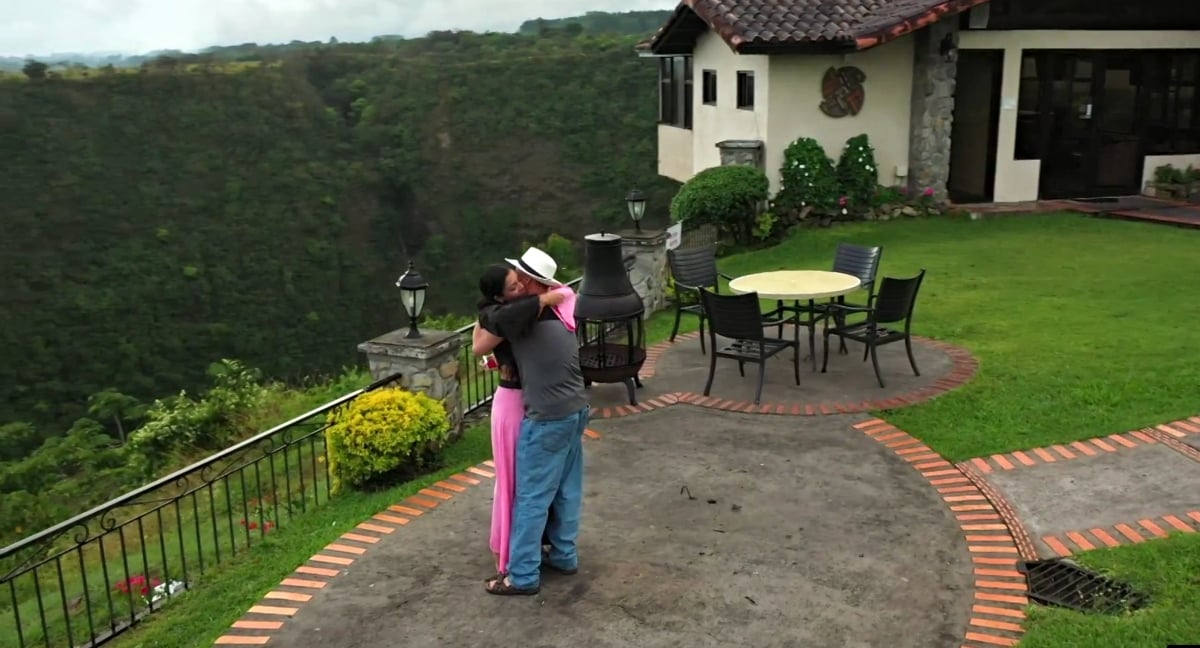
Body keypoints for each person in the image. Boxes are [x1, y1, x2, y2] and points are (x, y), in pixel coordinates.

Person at [473, 247, 589, 596]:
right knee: (567, 489)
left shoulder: (526, 316)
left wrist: (532, 301)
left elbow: (488, 330)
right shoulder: (560, 309)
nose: (518, 284)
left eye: (521, 279)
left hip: (548, 417)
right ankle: (565, 555)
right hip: (576, 408)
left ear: (530, 281)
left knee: (531, 496)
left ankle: (521, 576)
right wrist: (549, 296)